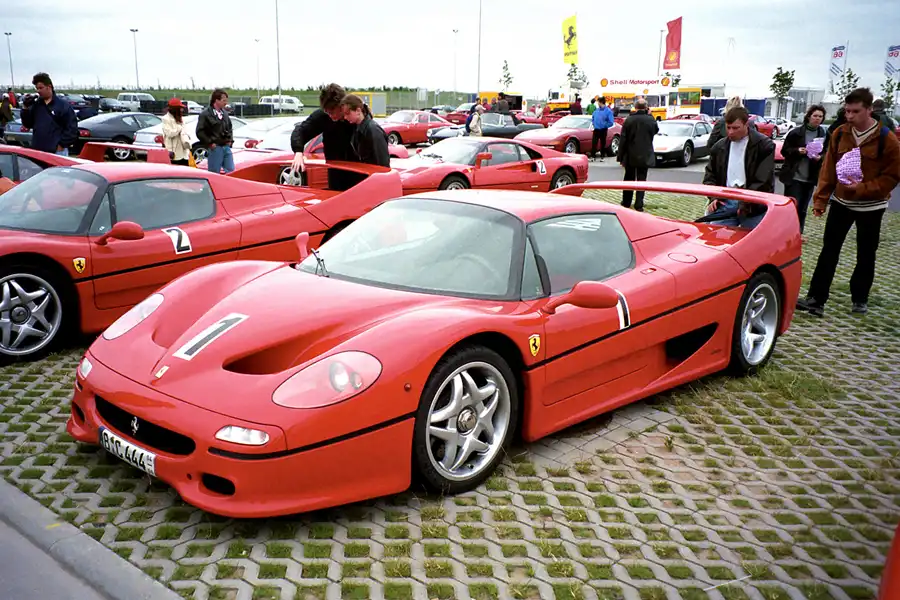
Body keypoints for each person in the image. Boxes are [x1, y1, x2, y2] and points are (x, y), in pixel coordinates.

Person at [796, 87, 900, 317]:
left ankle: (860, 298)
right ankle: (816, 299)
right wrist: (821, 200)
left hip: (872, 206)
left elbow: (892, 176)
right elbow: (828, 169)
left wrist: (863, 188)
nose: (850, 116)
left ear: (869, 110)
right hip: (841, 202)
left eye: (855, 111)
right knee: (829, 250)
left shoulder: (886, 138)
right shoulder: (840, 133)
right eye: (847, 111)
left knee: (866, 252)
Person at [700, 106, 775, 229]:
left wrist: (745, 203)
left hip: (753, 204)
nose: (731, 132)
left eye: (735, 128)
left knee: (752, 239)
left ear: (746, 124)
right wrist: (714, 197)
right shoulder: (719, 147)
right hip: (725, 202)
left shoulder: (764, 145)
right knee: (717, 238)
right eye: (728, 127)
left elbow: (763, 180)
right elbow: (710, 176)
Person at [290, 83, 358, 191]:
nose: (330, 115)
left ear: (341, 106)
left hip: (358, 173)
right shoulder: (323, 117)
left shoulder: (356, 118)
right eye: (327, 112)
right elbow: (301, 130)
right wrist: (298, 152)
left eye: (332, 111)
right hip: (335, 173)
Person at [779, 104, 827, 233]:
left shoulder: (823, 133)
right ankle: (787, 233)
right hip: (794, 176)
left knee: (803, 208)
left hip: (810, 177)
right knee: (793, 207)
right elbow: (785, 151)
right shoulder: (796, 132)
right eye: (815, 116)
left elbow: (827, 152)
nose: (817, 118)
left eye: (820, 116)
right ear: (809, 116)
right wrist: (797, 151)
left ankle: (798, 233)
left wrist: (820, 157)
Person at [19, 72, 78, 155]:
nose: (38, 91)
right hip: (38, 150)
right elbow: (28, 124)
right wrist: (25, 108)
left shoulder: (63, 105)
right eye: (37, 88)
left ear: (49, 87)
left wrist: (61, 144)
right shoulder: (36, 105)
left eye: (41, 88)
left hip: (57, 152)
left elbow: (72, 128)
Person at [615, 98, 658, 211]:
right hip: (645, 154)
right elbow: (655, 130)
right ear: (646, 107)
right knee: (642, 180)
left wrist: (620, 156)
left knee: (629, 179)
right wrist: (650, 114)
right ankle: (639, 204)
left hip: (630, 155)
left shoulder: (629, 120)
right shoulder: (650, 120)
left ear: (635, 107)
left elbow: (623, 139)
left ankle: (626, 202)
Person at [341, 94, 390, 168]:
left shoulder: (373, 130)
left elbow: (382, 162)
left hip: (374, 173)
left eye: (347, 113)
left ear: (358, 111)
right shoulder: (358, 128)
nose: (345, 117)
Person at [196, 88, 234, 173]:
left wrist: (230, 140)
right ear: (216, 100)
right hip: (215, 148)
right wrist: (210, 143)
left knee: (231, 171)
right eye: (224, 100)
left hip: (226, 147)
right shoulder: (205, 114)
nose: (226, 103)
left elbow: (230, 128)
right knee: (214, 172)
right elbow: (200, 132)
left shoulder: (225, 114)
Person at [161, 98, 193, 166]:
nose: (182, 110)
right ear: (175, 109)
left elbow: (185, 132)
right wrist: (179, 128)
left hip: (184, 153)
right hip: (173, 153)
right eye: (180, 108)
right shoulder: (166, 119)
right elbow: (169, 133)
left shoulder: (181, 119)